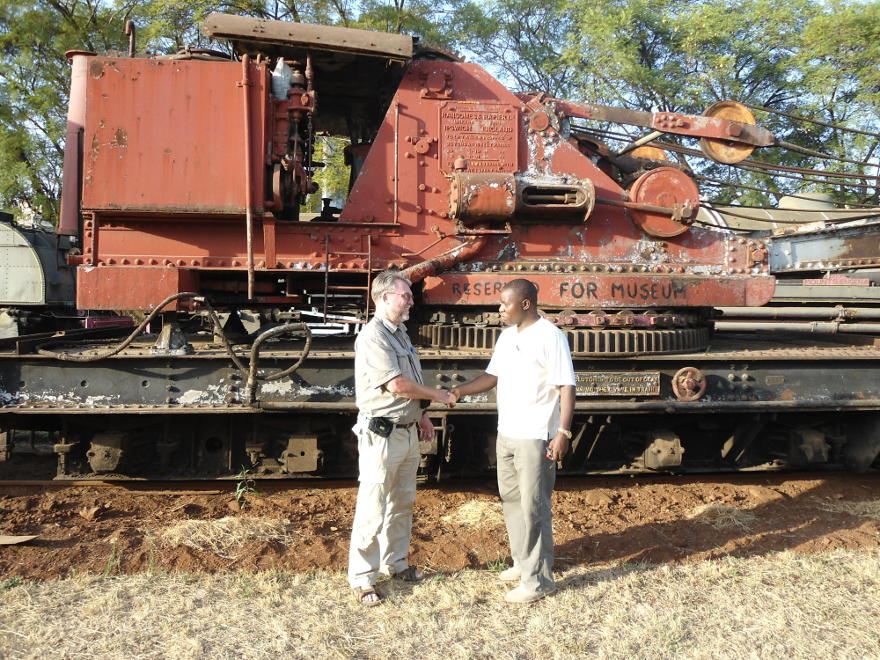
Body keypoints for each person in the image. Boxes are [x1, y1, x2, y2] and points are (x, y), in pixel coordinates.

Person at [451, 278, 575, 604]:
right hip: (507, 433)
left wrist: (562, 433)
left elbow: (566, 387)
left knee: (534, 507)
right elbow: (492, 377)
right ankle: (522, 563)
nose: (499, 309)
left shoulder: (551, 337)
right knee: (512, 502)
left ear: (525, 304)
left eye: (504, 304)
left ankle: (539, 582)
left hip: (536, 435)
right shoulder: (507, 337)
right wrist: (459, 391)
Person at [348, 269, 457, 606]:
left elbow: (407, 383)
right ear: (384, 298)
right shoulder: (373, 337)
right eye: (405, 295)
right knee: (373, 507)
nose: (411, 300)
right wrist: (437, 396)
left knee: (402, 504)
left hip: (406, 431)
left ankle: (395, 565)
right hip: (382, 435)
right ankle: (363, 579)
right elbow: (395, 385)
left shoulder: (400, 335)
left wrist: (421, 414)